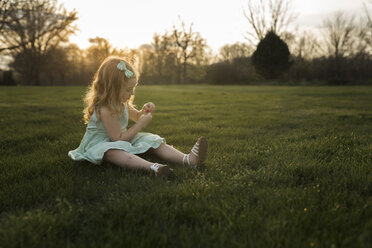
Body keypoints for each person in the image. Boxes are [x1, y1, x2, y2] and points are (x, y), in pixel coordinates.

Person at [68, 56, 208, 178]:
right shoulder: (105, 109)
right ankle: (154, 167)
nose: (132, 93)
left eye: (133, 88)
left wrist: (145, 111)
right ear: (113, 89)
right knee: (113, 152)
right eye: (128, 89)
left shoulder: (121, 102)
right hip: (100, 144)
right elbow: (117, 139)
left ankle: (188, 159)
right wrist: (140, 124)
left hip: (121, 138)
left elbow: (136, 116)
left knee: (152, 140)